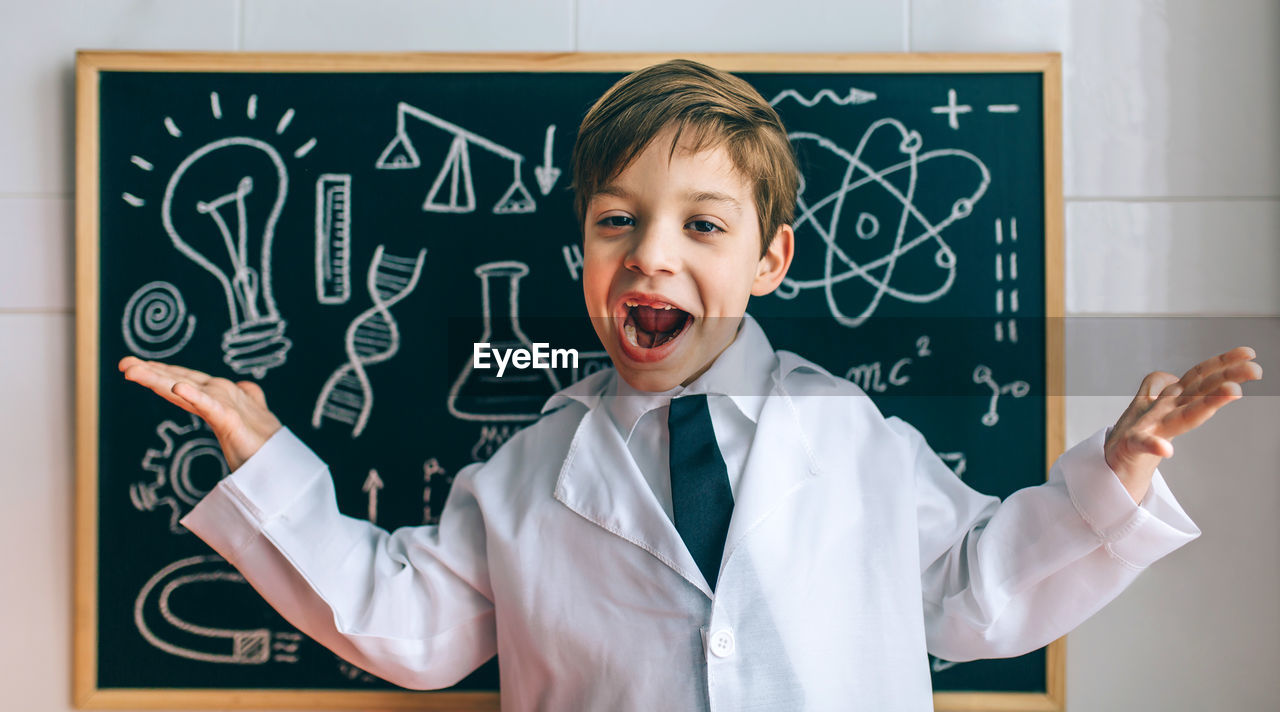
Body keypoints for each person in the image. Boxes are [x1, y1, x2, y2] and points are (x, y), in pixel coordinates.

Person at [118, 59, 1262, 710]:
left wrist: (1106, 482)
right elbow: (412, 626)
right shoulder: (529, 469)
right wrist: (270, 463)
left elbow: (977, 591)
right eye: (615, 221)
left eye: (699, 225)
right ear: (581, 253)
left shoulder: (851, 437)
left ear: (768, 261)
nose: (649, 254)